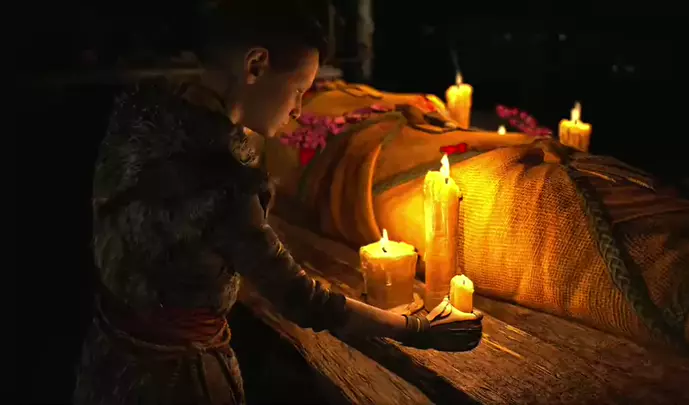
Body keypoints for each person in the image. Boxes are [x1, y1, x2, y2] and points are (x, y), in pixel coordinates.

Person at [73, 1, 483, 404]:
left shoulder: (139, 118)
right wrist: (417, 330)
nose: (298, 110)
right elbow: (303, 300)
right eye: (298, 90)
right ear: (255, 66)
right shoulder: (219, 176)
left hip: (107, 358)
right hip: (175, 380)